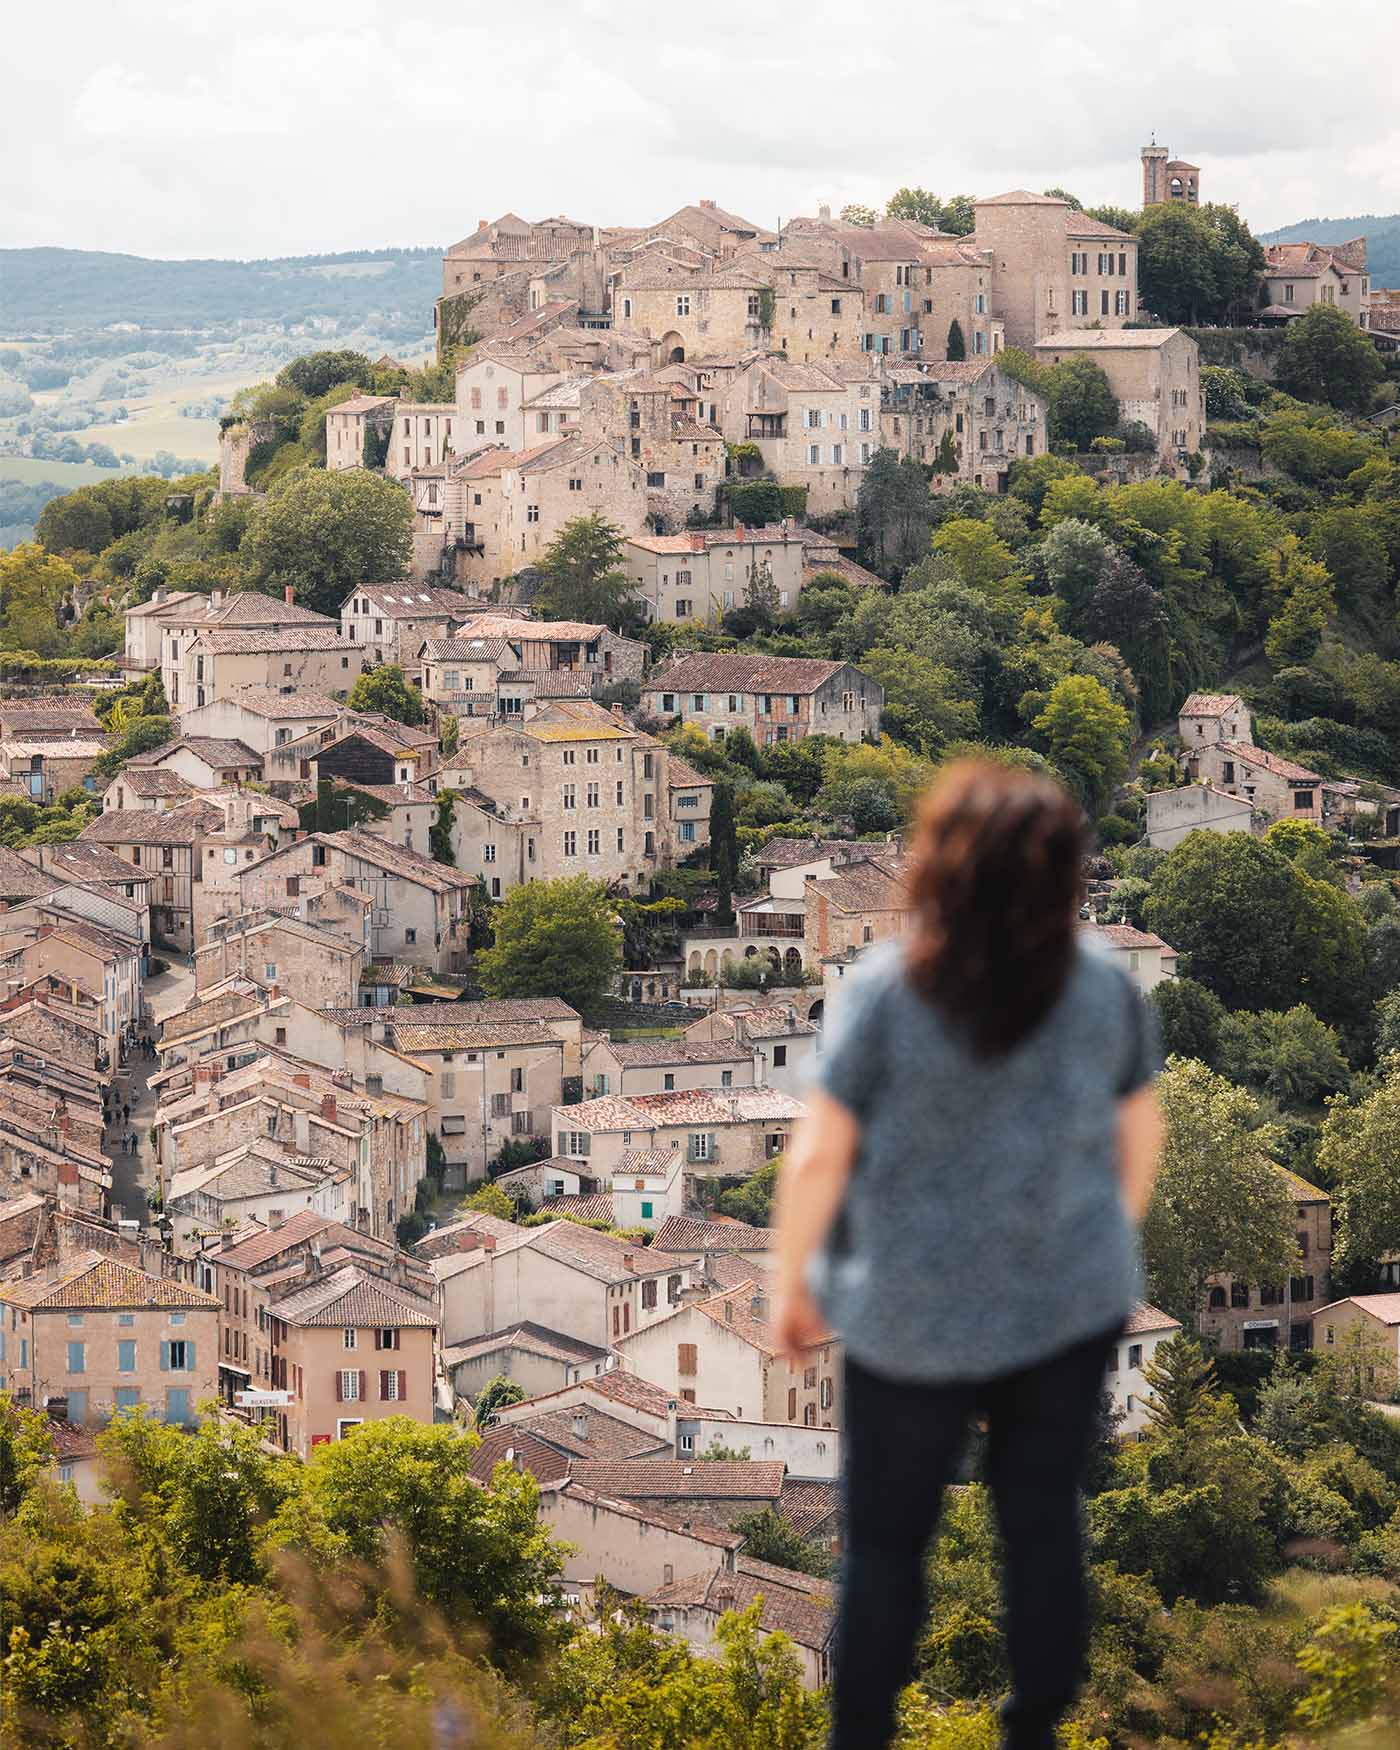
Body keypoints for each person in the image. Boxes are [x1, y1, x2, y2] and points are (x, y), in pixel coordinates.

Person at [774, 760, 1163, 1750]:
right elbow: (1138, 1136)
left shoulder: (884, 990)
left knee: (885, 1548)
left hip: (908, 1306)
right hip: (1063, 1301)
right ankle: (1028, 1730)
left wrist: (792, 1286)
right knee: (1038, 1522)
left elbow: (819, 1152)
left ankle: (861, 1736)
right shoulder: (1103, 987)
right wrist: (1095, 1237)